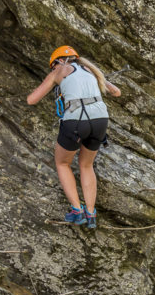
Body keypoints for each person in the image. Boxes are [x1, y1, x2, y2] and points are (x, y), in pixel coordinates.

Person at [27, 45, 121, 229]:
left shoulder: (59, 71)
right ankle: (91, 214)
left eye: (53, 66)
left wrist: (56, 81)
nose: (54, 69)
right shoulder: (91, 70)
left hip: (76, 120)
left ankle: (77, 211)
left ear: (59, 61)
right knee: (86, 164)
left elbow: (32, 100)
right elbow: (116, 92)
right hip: (101, 120)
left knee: (63, 163)